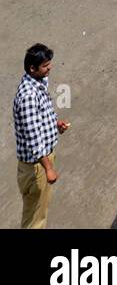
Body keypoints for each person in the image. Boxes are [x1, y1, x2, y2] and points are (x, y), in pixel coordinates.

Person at [13, 43, 70, 230]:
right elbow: (35, 142)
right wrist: (49, 168)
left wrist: (55, 125)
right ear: (32, 68)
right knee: (34, 222)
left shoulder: (37, 83)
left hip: (40, 164)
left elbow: (37, 120)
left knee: (39, 214)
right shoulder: (29, 96)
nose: (49, 68)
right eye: (45, 66)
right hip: (36, 168)